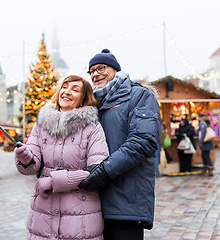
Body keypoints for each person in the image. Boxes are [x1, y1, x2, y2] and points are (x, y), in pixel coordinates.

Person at [79, 49, 161, 240]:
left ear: (115, 70)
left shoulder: (139, 96)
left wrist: (104, 170)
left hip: (127, 198)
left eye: (101, 68)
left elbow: (143, 140)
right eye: (91, 71)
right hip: (96, 200)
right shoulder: (93, 104)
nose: (95, 74)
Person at [14, 75, 109, 239]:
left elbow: (97, 172)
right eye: (64, 87)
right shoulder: (41, 124)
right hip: (43, 215)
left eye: (75, 89)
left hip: (80, 218)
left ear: (83, 99)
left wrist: (53, 181)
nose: (67, 92)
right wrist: (24, 157)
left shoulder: (93, 128)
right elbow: (32, 166)